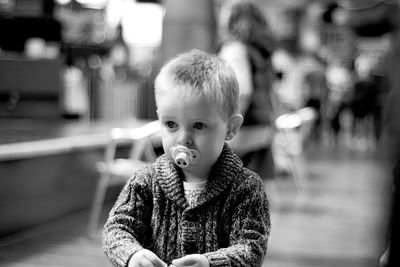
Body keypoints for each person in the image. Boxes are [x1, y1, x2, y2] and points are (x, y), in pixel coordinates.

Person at [102, 49, 271, 267]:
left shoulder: (246, 188)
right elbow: (117, 228)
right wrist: (132, 255)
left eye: (198, 125)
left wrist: (211, 263)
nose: (183, 138)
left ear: (230, 128)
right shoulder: (145, 182)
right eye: (171, 124)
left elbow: (252, 247)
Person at [217, 0, 276, 180]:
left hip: (243, 128)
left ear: (233, 19)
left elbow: (242, 91)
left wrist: (227, 128)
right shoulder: (261, 51)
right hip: (262, 126)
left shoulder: (235, 49)